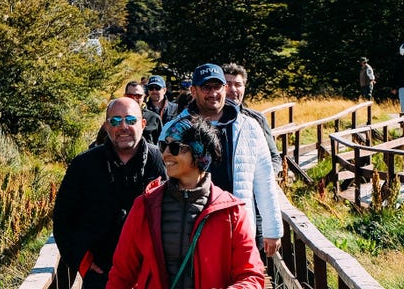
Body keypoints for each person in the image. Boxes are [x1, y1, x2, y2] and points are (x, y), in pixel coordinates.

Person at [107, 117, 265, 289]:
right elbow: (121, 274)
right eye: (163, 146)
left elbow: (251, 276)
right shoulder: (145, 205)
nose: (166, 153)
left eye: (175, 147)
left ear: (199, 155)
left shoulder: (232, 211)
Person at [162, 63, 283, 259]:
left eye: (217, 87)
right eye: (206, 87)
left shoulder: (249, 127)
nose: (213, 93)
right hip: (190, 224)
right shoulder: (174, 128)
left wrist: (273, 230)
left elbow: (264, 179)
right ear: (193, 90)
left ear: (224, 89)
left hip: (237, 222)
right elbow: (163, 177)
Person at [53, 97, 167, 289]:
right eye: (115, 121)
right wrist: (80, 260)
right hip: (100, 274)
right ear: (106, 126)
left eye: (131, 120)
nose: (123, 126)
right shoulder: (84, 164)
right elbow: (63, 218)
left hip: (148, 273)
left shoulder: (161, 161)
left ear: (143, 124)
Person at [223, 63, 282, 174]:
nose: (233, 89)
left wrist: (264, 180)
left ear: (244, 87)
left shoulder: (257, 118)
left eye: (238, 84)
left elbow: (274, 157)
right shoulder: (210, 118)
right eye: (228, 84)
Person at [95, 81, 162, 145]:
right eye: (130, 96)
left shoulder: (154, 118)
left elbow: (161, 145)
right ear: (125, 96)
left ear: (144, 96)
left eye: (138, 96)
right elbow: (98, 144)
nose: (134, 99)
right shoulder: (114, 117)